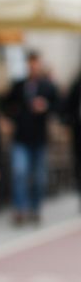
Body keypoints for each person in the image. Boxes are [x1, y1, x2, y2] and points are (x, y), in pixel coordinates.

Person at [2, 49, 59, 224]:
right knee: (20, 172)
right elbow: (6, 105)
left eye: (36, 63)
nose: (33, 66)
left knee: (39, 176)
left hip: (39, 137)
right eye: (30, 63)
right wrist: (16, 114)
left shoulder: (48, 87)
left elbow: (59, 106)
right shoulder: (18, 85)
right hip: (21, 136)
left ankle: (35, 208)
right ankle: (20, 208)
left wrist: (46, 107)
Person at [61, 69, 81, 206]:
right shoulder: (77, 85)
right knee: (79, 163)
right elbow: (67, 107)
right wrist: (69, 121)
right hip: (79, 131)